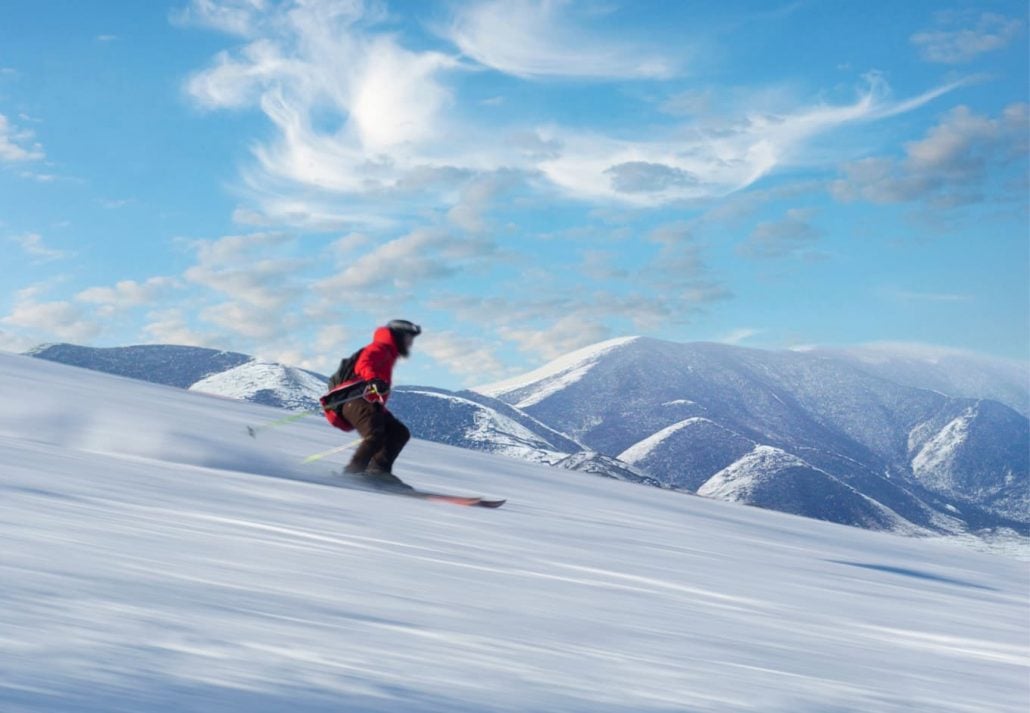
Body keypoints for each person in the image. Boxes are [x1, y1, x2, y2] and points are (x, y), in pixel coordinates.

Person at [320, 320, 421, 490]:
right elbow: (364, 364)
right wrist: (373, 379)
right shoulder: (379, 348)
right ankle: (352, 475)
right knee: (375, 433)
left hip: (367, 402)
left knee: (399, 432)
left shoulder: (389, 353)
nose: (411, 342)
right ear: (398, 336)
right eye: (409, 337)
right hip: (352, 400)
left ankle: (378, 471)